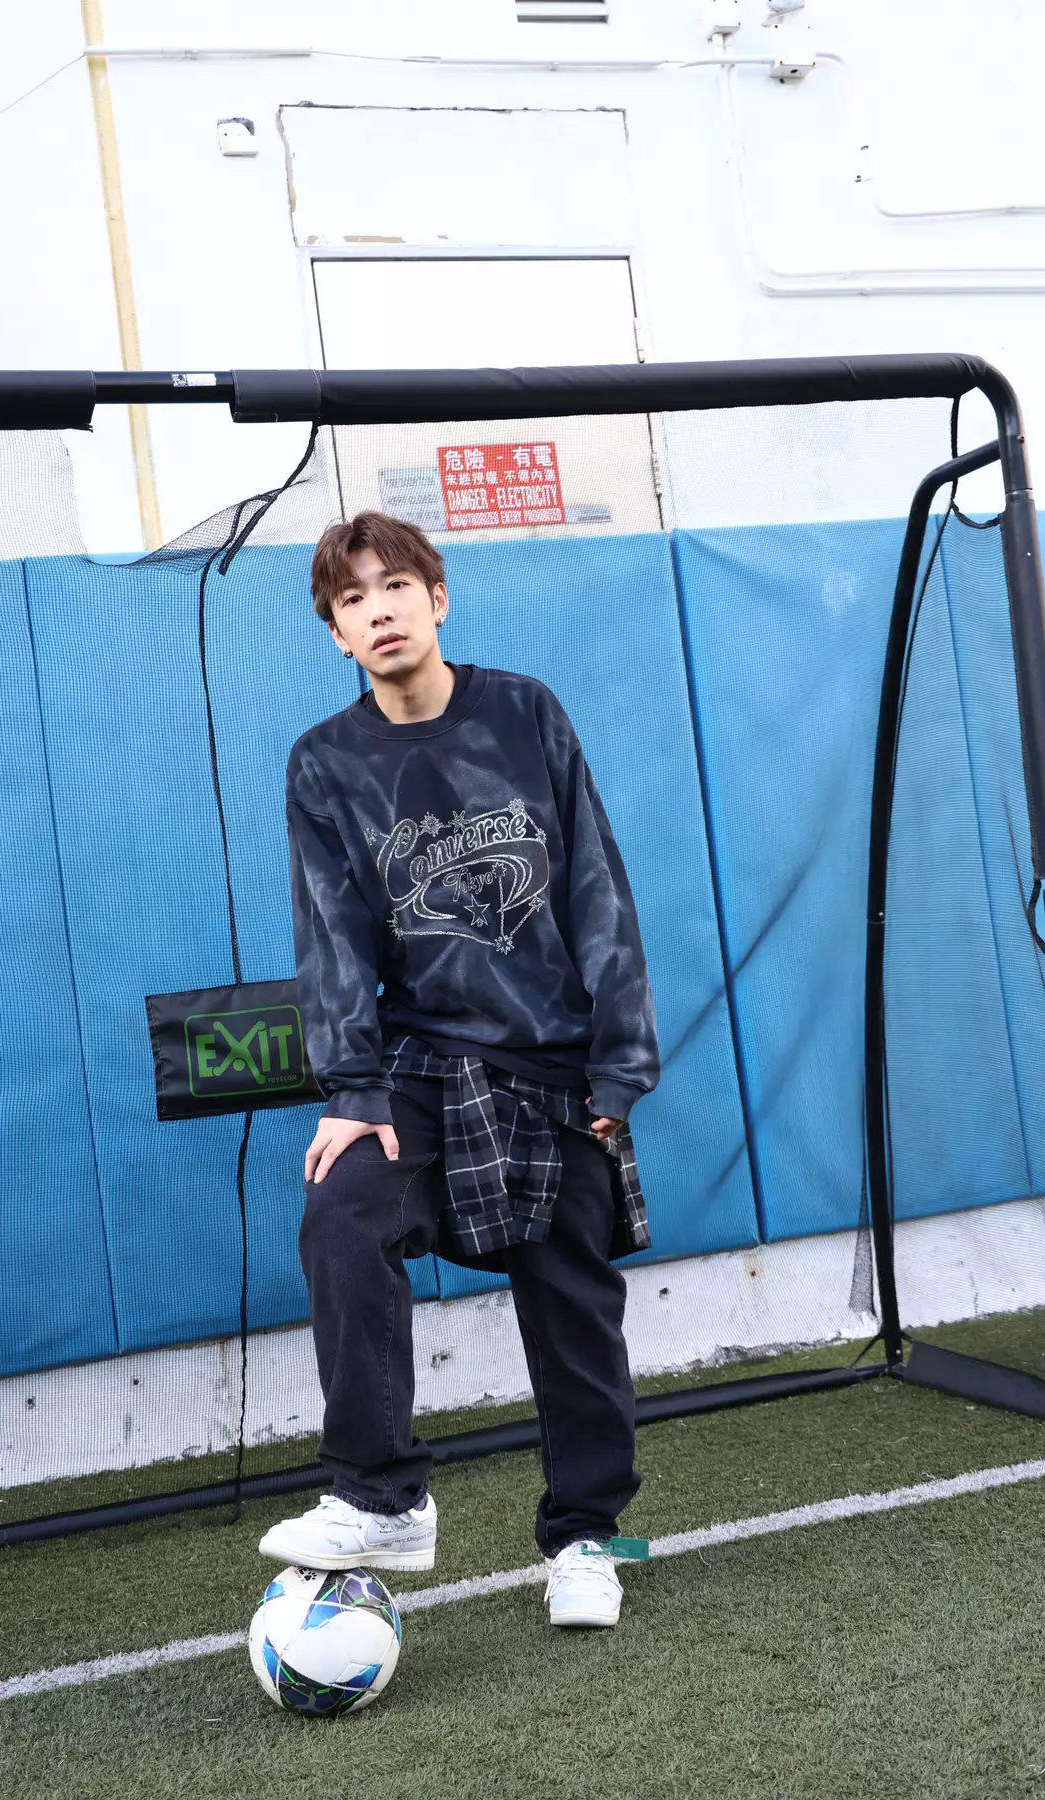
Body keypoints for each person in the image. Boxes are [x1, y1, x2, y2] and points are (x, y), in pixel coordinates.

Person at [258, 511, 660, 1627]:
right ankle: (381, 1496)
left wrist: (620, 1065)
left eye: (395, 586)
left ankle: (587, 1539)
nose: (378, 610)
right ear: (336, 633)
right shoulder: (326, 763)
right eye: (351, 599)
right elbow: (332, 935)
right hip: (424, 1064)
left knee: (573, 1305)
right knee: (342, 1209)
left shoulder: (525, 712)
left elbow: (596, 885)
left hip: (552, 1059)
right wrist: (352, 1090)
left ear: (438, 598)